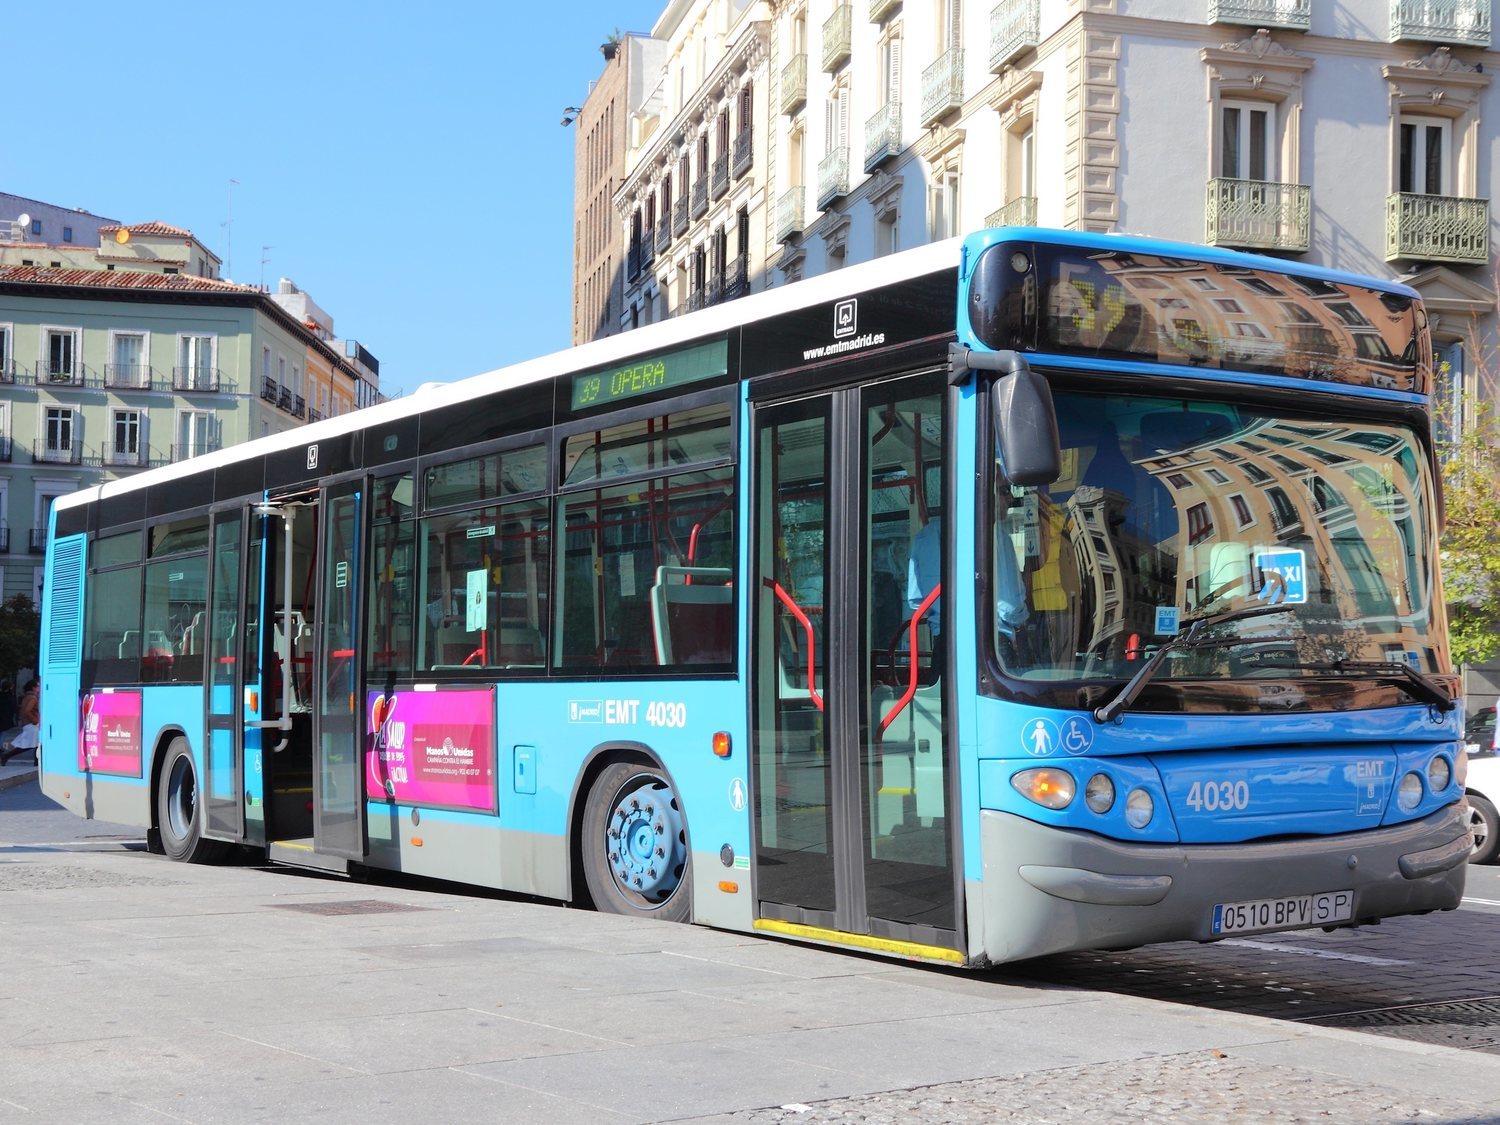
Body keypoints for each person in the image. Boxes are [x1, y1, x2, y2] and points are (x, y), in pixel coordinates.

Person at [2, 679, 38, 766]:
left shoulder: (27, 697)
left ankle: (37, 762)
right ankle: (37, 763)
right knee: (33, 744)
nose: (39, 688)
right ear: (33, 688)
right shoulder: (33, 698)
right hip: (32, 724)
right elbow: (27, 711)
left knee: (33, 744)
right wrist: (35, 720)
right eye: (38, 686)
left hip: (28, 724)